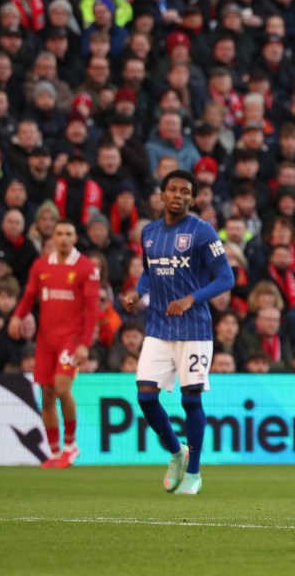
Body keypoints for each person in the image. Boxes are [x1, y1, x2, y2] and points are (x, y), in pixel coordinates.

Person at [121, 170, 235, 495]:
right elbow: (148, 273)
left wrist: (191, 298)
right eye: (173, 189)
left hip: (194, 329)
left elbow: (226, 278)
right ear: (161, 194)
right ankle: (176, 452)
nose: (178, 195)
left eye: (186, 191)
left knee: (191, 399)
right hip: (158, 326)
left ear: (193, 199)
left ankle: (195, 473)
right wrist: (137, 295)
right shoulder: (150, 232)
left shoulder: (202, 232)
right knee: (145, 396)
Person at [8, 220, 100, 469]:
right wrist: (17, 316)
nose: (63, 238)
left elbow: (92, 310)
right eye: (59, 234)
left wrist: (84, 344)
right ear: (53, 238)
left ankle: (71, 446)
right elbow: (28, 296)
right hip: (45, 340)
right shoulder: (40, 266)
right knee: (47, 396)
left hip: (70, 340)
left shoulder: (87, 268)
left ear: (75, 238)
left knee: (61, 388)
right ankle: (55, 451)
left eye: (68, 234)